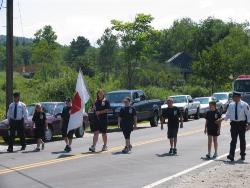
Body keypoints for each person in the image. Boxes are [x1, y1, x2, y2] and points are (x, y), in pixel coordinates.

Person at [217, 92, 250, 161]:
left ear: (238, 97)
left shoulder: (244, 104)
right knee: (233, 140)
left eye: (234, 97)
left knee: (242, 140)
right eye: (233, 97)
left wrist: (249, 124)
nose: (233, 98)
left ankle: (242, 154)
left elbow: (248, 115)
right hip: (234, 124)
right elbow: (228, 114)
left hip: (242, 124)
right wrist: (222, 119)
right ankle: (231, 155)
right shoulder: (231, 105)